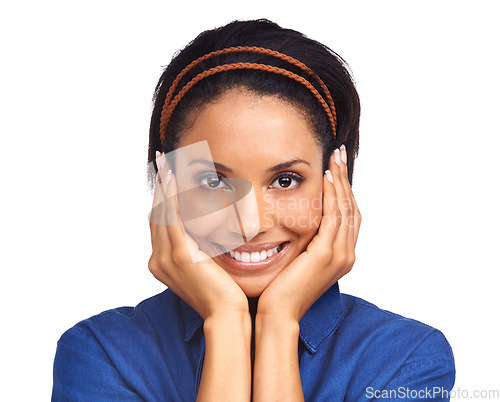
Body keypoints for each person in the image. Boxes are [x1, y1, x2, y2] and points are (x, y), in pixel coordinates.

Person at [52, 19, 455, 401]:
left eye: (285, 180)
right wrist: (225, 322)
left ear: (337, 181)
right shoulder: (102, 355)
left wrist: (279, 323)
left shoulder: (406, 359)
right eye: (213, 181)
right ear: (166, 185)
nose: (250, 224)